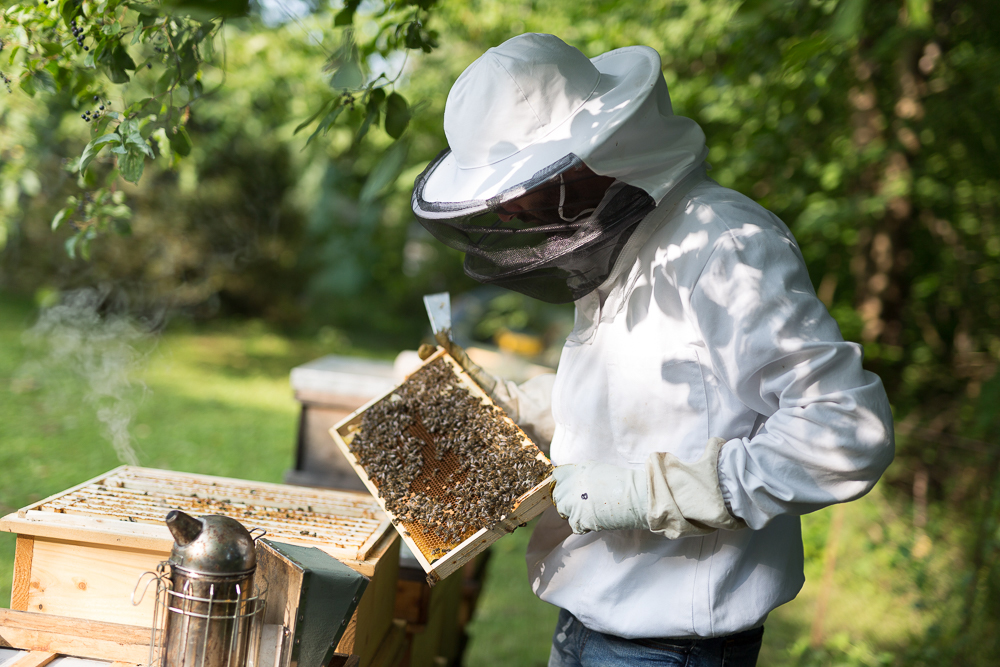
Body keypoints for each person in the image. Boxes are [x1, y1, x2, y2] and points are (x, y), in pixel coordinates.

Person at [411, 33, 894, 666]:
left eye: (521, 188)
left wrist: (647, 495)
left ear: (584, 157)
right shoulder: (622, 246)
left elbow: (845, 430)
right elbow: (644, 404)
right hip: (584, 620)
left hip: (671, 647)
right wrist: (508, 405)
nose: (510, 213)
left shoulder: (725, 245)